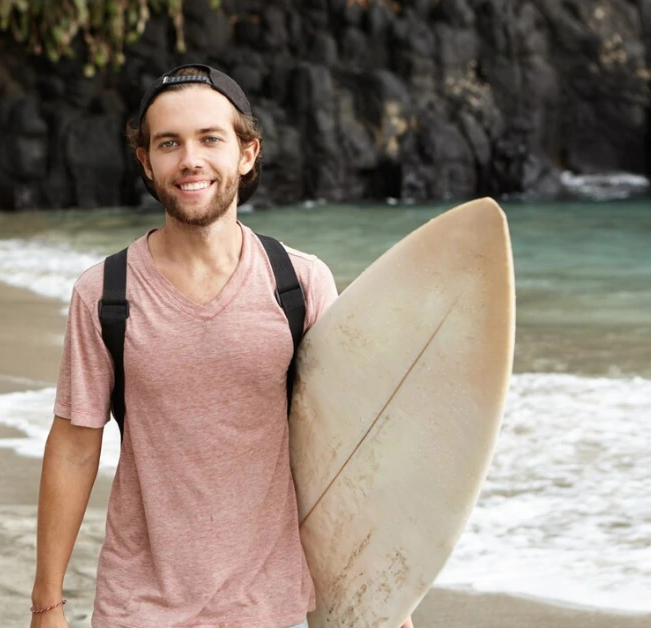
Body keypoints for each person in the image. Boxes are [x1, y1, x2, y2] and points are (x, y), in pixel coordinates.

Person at [30, 64, 413, 628]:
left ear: (247, 153)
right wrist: (47, 604)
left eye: (211, 138)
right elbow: (73, 446)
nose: (190, 160)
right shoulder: (105, 294)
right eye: (169, 143)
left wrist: (385, 600)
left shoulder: (299, 284)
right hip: (139, 606)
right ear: (145, 161)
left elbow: (345, 450)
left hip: (270, 605)